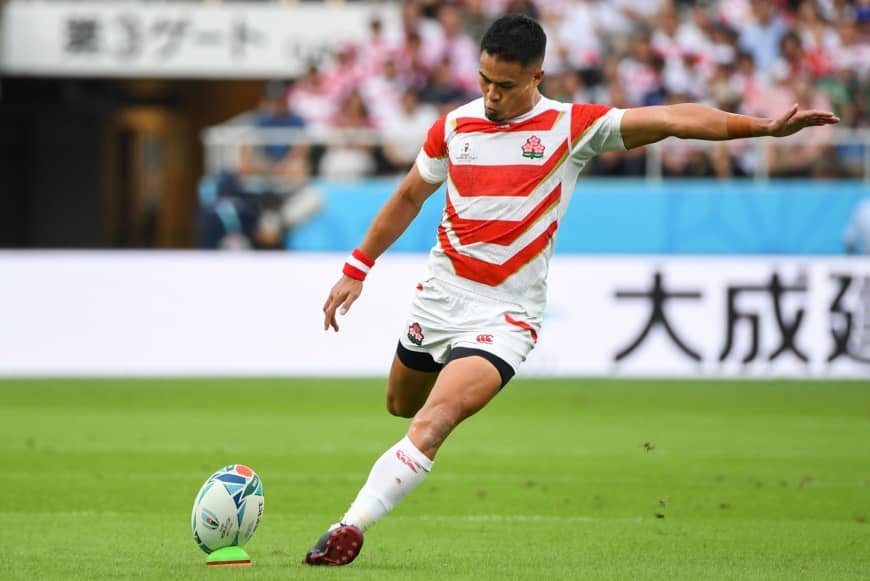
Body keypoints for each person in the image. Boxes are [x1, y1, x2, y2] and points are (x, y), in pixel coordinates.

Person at [303, 14, 839, 567]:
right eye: (484, 80)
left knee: (433, 422)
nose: (491, 95)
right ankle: (396, 459)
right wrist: (358, 267)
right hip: (439, 300)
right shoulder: (455, 126)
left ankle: (349, 527)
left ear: (537, 75)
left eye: (505, 86)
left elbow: (674, 118)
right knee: (401, 405)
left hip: (506, 316)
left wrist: (762, 128)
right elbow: (410, 195)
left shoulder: (571, 126)